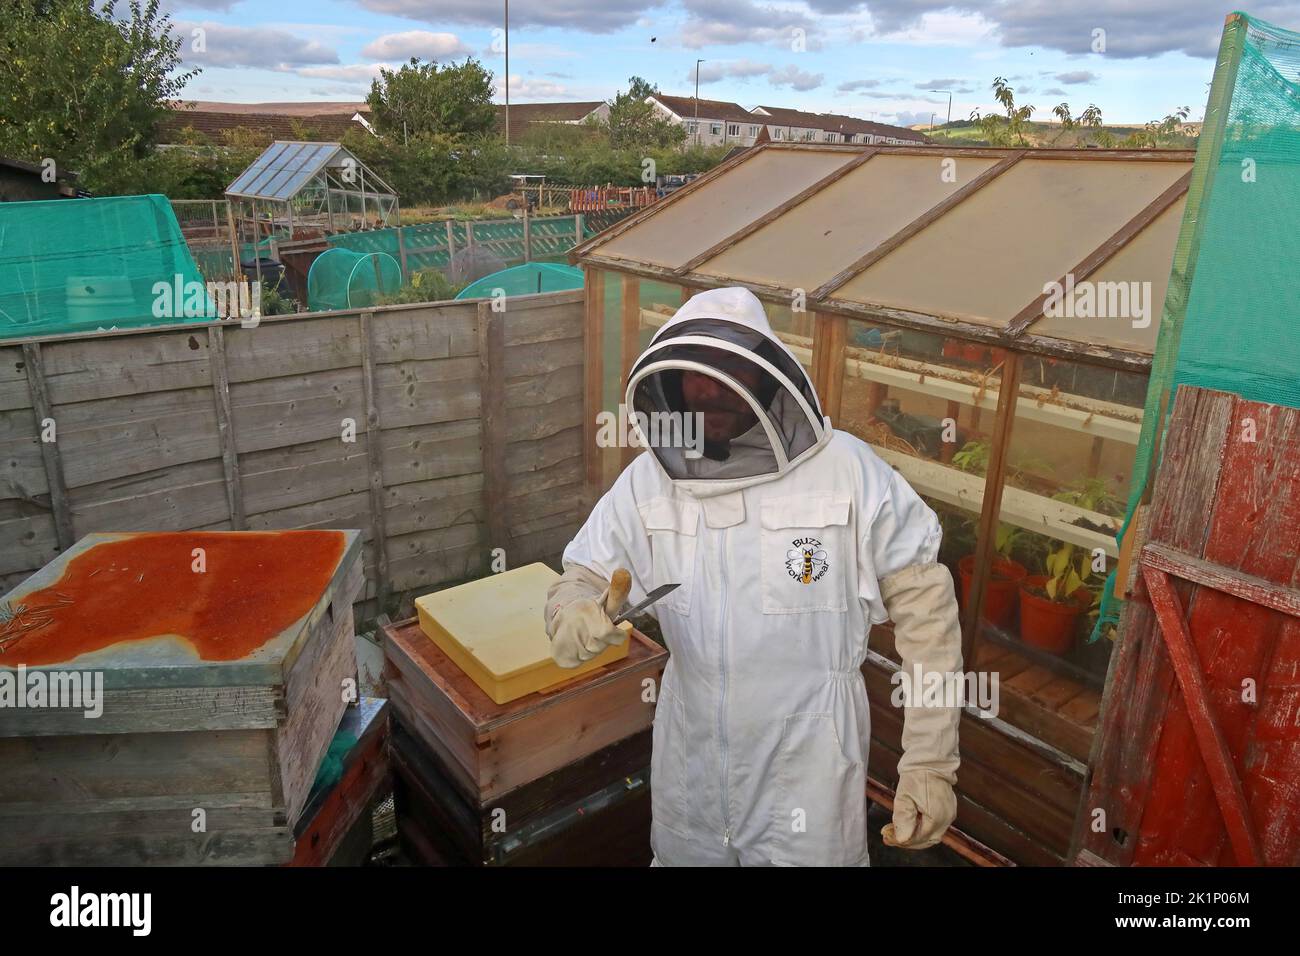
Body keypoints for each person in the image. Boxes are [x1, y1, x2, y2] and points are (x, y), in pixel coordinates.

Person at [545, 286, 962, 866]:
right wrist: (570, 611)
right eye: (694, 372)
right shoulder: (650, 481)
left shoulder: (847, 472)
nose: (709, 387)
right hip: (689, 769)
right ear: (670, 380)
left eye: (728, 367)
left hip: (808, 775)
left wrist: (930, 761)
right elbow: (584, 573)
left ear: (768, 373)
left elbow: (928, 620)